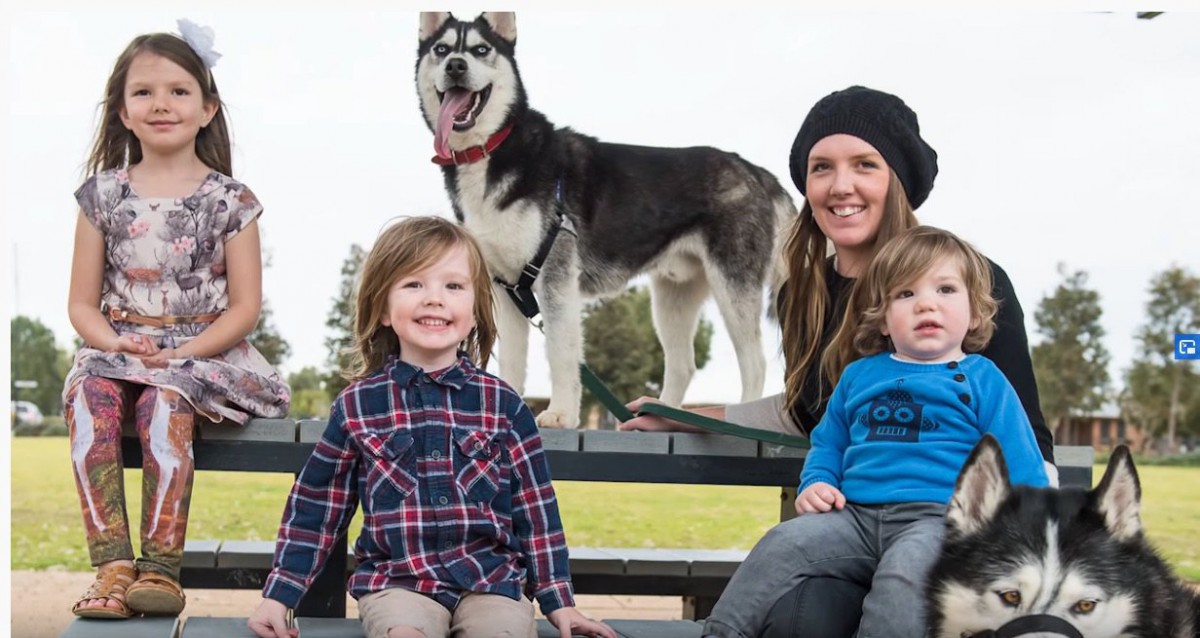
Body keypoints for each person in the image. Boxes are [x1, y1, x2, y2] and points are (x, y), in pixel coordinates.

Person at [621, 85, 1057, 636]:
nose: (840, 185)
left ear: (896, 180)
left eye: (864, 165)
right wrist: (692, 415)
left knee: (904, 594)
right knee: (800, 619)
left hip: (945, 531)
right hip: (849, 520)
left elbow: (1025, 440)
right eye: (821, 167)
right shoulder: (803, 291)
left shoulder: (965, 285)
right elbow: (811, 413)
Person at [247, 217, 615, 638]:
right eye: (414, 284)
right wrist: (279, 596)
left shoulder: (504, 405)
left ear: (476, 310)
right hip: (399, 582)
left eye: (453, 287)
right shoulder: (357, 406)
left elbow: (536, 511)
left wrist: (559, 600)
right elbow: (317, 509)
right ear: (383, 309)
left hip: (491, 583)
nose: (435, 299)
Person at [703, 225, 1051, 637]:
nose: (926, 305)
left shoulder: (983, 379)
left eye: (945, 290)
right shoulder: (859, 376)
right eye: (906, 294)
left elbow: (1021, 459)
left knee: (906, 578)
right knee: (782, 544)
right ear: (883, 318)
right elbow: (829, 442)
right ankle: (719, 631)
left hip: (938, 521)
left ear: (975, 312)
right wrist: (817, 481)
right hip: (853, 517)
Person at [63, 20, 290, 620]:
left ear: (208, 108)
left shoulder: (230, 201)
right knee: (90, 398)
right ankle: (112, 566)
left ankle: (160, 569)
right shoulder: (101, 197)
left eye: (179, 90)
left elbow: (244, 307)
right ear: (122, 112)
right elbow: (81, 303)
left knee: (163, 404)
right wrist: (116, 342)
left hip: (202, 351)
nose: (161, 103)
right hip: (117, 342)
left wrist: (187, 354)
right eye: (144, 92)